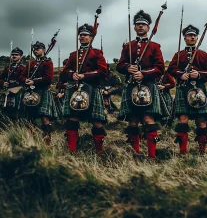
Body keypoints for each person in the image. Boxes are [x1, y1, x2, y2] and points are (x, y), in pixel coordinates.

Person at [116, 10, 166, 158]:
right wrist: (127, 68)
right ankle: (135, 154)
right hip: (131, 85)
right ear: (134, 27)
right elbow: (120, 65)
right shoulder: (128, 46)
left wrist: (144, 73)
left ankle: (152, 156)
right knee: (132, 120)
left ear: (148, 28)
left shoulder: (155, 46)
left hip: (148, 86)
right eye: (137, 24)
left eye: (143, 25)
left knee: (148, 119)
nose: (140, 27)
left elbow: (160, 68)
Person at [60, 24, 107, 153]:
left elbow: (103, 71)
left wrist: (84, 75)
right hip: (74, 89)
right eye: (80, 35)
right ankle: (72, 151)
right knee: (72, 119)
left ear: (91, 37)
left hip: (91, 88)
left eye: (85, 35)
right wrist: (72, 74)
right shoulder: (73, 54)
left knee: (97, 121)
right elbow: (64, 72)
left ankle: (99, 152)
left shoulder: (97, 53)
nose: (82, 37)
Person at [168, 25, 207, 154]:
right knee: (183, 120)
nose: (192, 37)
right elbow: (171, 68)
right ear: (185, 38)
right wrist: (180, 74)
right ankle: (183, 152)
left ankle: (202, 151)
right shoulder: (178, 55)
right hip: (183, 89)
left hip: (199, 90)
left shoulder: (203, 55)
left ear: (197, 37)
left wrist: (199, 75)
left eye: (194, 35)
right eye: (189, 35)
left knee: (201, 121)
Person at [19, 41, 58, 144]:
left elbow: (48, 79)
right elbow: (22, 76)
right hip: (30, 93)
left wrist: (34, 81)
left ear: (44, 50)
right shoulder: (31, 63)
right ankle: (31, 142)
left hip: (43, 91)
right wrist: (25, 80)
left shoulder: (48, 62)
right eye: (34, 49)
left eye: (38, 49)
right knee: (29, 118)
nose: (35, 51)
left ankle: (47, 143)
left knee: (45, 118)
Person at [0, 47, 26, 119]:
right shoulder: (8, 68)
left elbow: (26, 79)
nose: (14, 56)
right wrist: (3, 83)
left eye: (16, 55)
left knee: (18, 108)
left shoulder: (24, 68)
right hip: (8, 90)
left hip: (20, 90)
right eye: (13, 54)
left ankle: (18, 124)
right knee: (6, 108)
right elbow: (1, 78)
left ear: (20, 56)